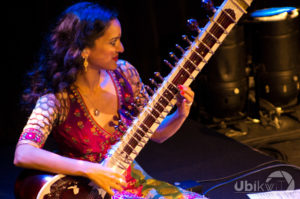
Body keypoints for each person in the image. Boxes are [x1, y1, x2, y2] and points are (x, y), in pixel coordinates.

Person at [14, 1, 205, 198]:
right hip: (89, 191)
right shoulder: (57, 98)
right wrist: (89, 169)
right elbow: (23, 154)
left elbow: (156, 133)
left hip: (132, 182)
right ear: (84, 49)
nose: (121, 48)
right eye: (113, 42)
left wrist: (181, 113)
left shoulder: (125, 74)